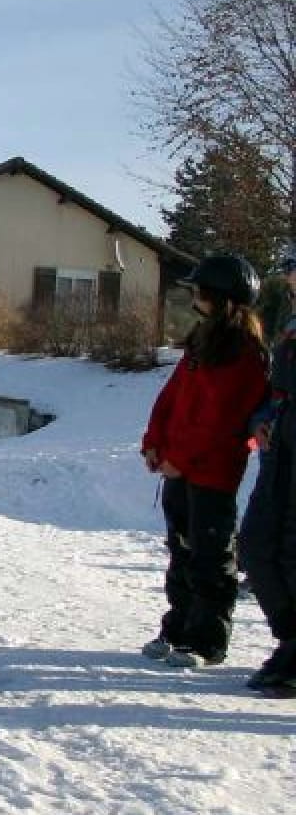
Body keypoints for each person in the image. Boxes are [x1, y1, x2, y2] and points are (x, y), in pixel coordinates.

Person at [140, 252, 268, 668]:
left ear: (219, 296)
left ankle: (207, 640)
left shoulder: (245, 353)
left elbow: (221, 421)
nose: (193, 296)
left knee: (210, 556)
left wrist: (181, 459)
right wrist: (155, 442)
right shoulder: (200, 340)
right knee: (180, 551)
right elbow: (173, 399)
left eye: (199, 290)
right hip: (179, 467)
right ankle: (176, 628)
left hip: (212, 471)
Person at [237, 245, 296, 693]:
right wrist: (262, 421)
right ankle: (290, 639)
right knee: (257, 546)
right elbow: (274, 393)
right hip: (280, 454)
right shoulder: (290, 326)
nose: (289, 279)